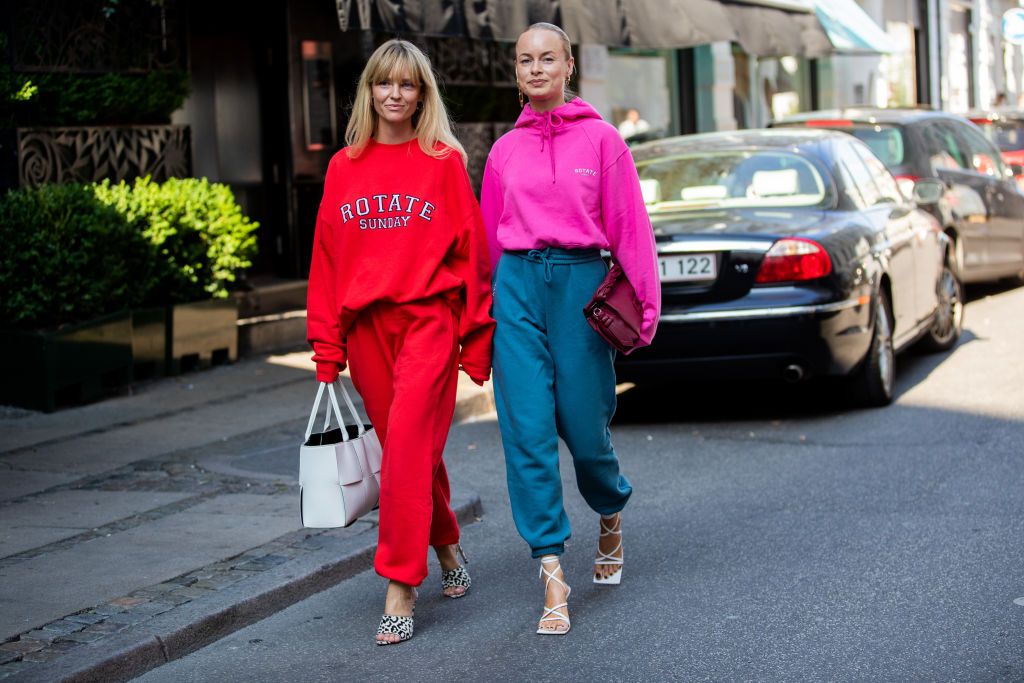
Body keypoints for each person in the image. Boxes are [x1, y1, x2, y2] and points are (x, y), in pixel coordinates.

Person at [306, 39, 494, 646]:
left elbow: (472, 256)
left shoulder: (441, 161)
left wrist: (477, 340)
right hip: (365, 332)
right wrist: (326, 346)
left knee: (408, 448)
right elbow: (327, 261)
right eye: (384, 83)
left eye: (407, 85)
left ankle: (399, 583)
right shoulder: (343, 166)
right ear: (369, 92)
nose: (395, 94)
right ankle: (446, 550)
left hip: (427, 324)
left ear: (422, 95)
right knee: (411, 453)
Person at [480, 22, 661, 635]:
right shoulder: (504, 152)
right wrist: (482, 320)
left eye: (547, 58)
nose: (535, 69)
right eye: (525, 60)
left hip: (583, 287)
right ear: (517, 72)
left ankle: (609, 509)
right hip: (518, 287)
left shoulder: (605, 141)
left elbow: (631, 229)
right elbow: (487, 245)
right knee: (527, 432)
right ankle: (552, 567)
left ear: (568, 66)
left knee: (586, 431)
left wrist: (646, 309)